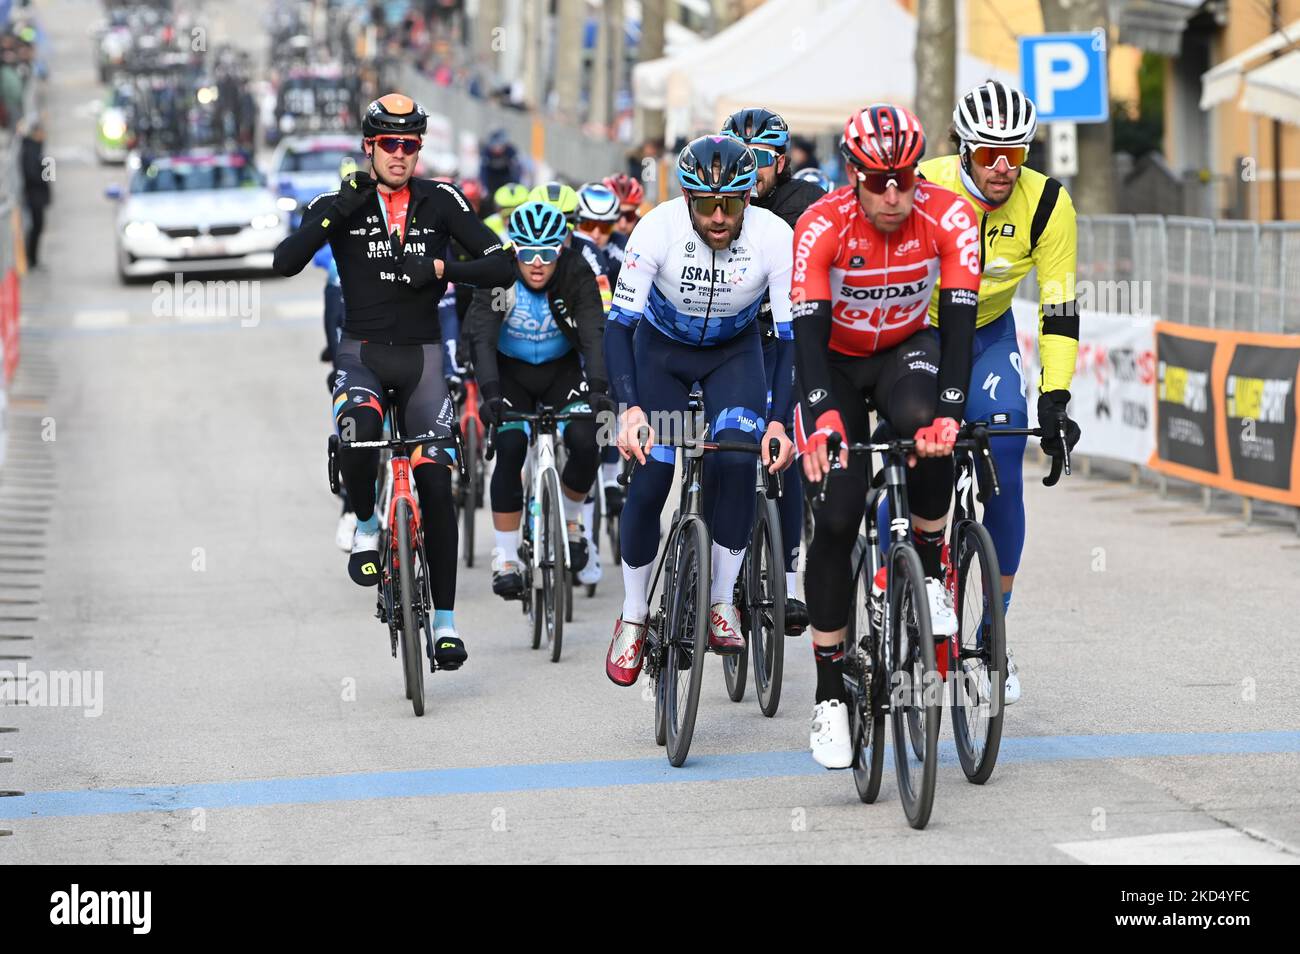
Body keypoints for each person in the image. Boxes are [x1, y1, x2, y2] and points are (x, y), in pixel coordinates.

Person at [273, 93, 514, 670]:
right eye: (389, 144)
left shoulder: (441, 200)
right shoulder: (340, 202)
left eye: (410, 145)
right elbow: (286, 261)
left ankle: (447, 626)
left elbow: (502, 262)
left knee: (436, 485)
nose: (400, 155)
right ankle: (363, 523)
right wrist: (334, 214)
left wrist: (442, 269)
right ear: (369, 147)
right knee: (357, 434)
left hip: (424, 358)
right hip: (361, 355)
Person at [792, 104, 982, 768]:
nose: (895, 193)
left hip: (907, 351)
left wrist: (950, 413)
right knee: (839, 514)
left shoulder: (951, 216)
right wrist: (824, 421)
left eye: (904, 177)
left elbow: (959, 327)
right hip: (836, 365)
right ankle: (828, 697)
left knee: (926, 428)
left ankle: (931, 562)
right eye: (878, 180)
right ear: (853, 174)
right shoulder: (820, 225)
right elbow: (808, 346)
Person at [892, 79, 1081, 705]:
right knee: (923, 444)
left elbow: (1058, 308)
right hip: (919, 325)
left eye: (1017, 154)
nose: (1002, 168)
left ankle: (990, 632)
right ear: (962, 149)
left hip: (987, 331)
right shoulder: (922, 184)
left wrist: (1056, 397)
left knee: (1004, 452)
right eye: (986, 155)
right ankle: (899, 563)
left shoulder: (1049, 204)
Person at [603, 135, 796, 687]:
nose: (718, 216)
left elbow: (787, 339)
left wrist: (779, 420)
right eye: (706, 204)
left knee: (737, 463)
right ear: (686, 199)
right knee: (654, 473)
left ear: (748, 201)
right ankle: (635, 615)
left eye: (731, 204)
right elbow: (618, 326)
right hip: (661, 355)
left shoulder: (773, 237)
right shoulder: (657, 228)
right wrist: (629, 409)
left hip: (735, 357)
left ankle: (720, 602)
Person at [463, 201, 613, 598]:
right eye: (526, 252)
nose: (536, 263)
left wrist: (599, 388)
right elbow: (482, 336)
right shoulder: (501, 276)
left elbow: (595, 332)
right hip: (509, 374)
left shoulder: (575, 271)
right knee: (510, 447)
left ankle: (572, 520)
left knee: (587, 441)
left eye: (546, 253)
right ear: (514, 249)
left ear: (561, 249)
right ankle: (507, 555)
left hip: (560, 372)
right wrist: (490, 394)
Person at [721, 106, 826, 635]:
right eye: (740, 156)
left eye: (760, 159)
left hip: (787, 337)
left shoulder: (805, 203)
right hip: (734, 339)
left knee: (786, 459)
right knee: (729, 454)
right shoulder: (713, 200)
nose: (749, 168)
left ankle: (786, 583)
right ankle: (717, 574)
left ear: (781, 161)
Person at [19, 118, 49, 268]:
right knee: (35, 226)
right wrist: (44, 178)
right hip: (34, 195)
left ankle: (33, 258)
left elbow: (49, 171)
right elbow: (32, 174)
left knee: (39, 226)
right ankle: (30, 258)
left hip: (39, 195)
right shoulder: (31, 150)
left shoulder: (38, 148)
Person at [480, 128, 522, 196]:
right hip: (492, 180)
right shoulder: (486, 152)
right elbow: (483, 172)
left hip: (507, 179)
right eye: (494, 146)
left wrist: (516, 185)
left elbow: (516, 170)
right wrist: (484, 187)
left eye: (499, 145)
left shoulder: (510, 151)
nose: (497, 149)